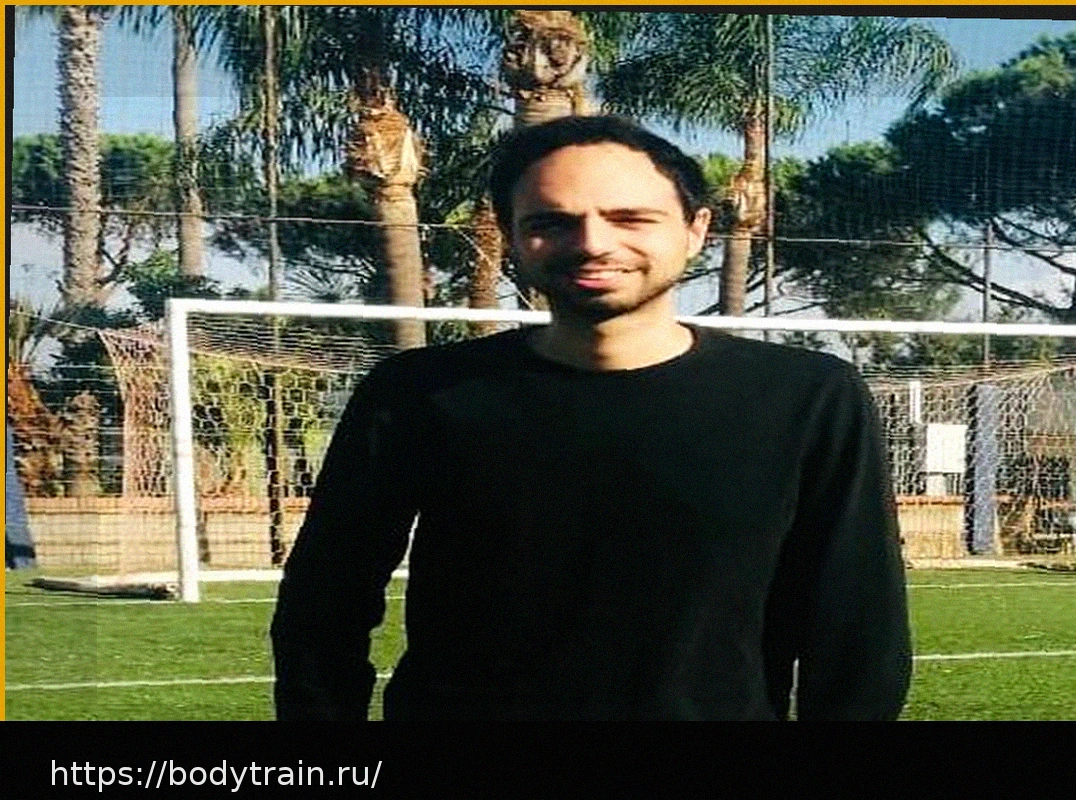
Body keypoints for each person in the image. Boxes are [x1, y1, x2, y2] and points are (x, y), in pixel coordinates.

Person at [271, 115, 911, 721]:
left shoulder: (807, 397)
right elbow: (325, 601)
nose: (593, 244)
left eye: (631, 218)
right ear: (512, 235)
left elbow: (857, 625)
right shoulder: (418, 393)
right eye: (552, 222)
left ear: (696, 230)